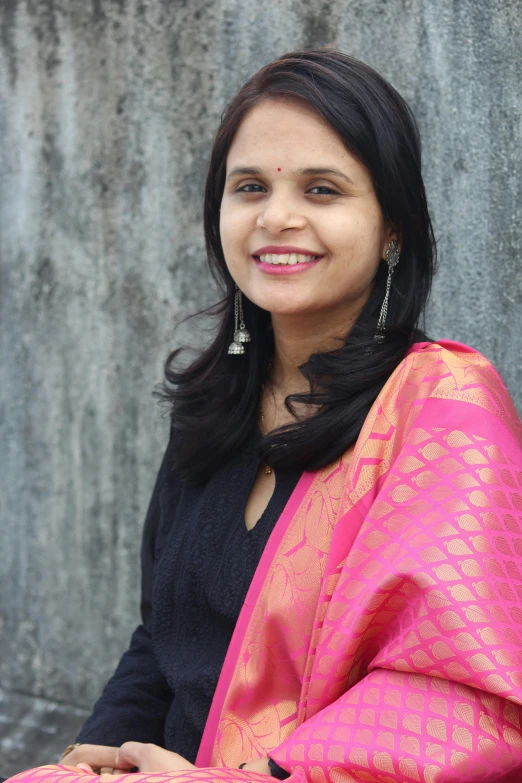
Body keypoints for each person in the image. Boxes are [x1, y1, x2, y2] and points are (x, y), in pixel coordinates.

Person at [8, 49, 522, 783]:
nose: (277, 217)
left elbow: (455, 700)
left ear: (392, 230)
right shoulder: (210, 409)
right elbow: (162, 640)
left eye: (322, 189)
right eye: (249, 186)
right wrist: (98, 757)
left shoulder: (442, 411)